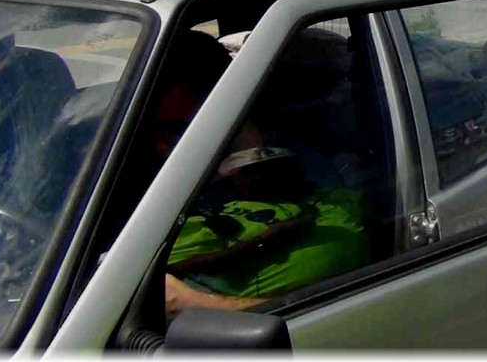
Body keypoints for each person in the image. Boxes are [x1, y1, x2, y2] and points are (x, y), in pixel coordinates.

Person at [145, 30, 371, 317]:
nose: (160, 149)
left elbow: (311, 306)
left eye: (177, 132)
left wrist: (196, 305)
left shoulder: (318, 200)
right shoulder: (146, 185)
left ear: (228, 114)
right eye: (153, 133)